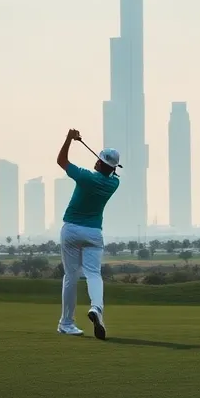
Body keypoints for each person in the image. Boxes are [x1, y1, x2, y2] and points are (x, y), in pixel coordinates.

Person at [55, 128, 121, 340]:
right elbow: (108, 173)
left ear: (100, 163)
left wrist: (69, 139)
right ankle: (97, 309)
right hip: (93, 233)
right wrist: (107, 167)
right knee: (94, 274)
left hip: (72, 229)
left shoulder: (85, 177)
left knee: (71, 276)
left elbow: (61, 161)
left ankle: (66, 323)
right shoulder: (114, 183)